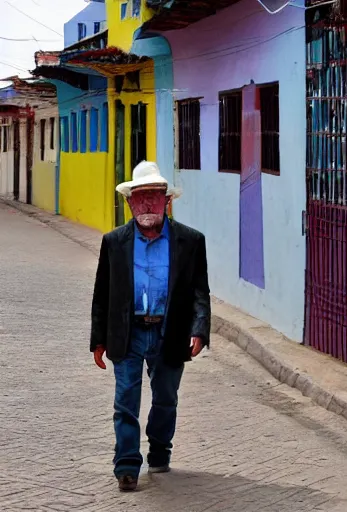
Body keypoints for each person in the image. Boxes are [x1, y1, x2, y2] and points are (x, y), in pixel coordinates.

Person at [90, 161, 211, 492]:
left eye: (153, 197)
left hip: (169, 332)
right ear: (129, 202)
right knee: (125, 401)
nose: (146, 204)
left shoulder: (190, 241)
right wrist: (98, 339)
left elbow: (200, 291)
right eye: (139, 197)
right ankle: (127, 465)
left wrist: (199, 329)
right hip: (128, 333)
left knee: (166, 399)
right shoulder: (114, 242)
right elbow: (102, 294)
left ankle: (159, 451)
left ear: (166, 201)